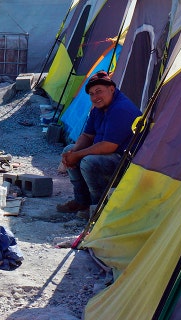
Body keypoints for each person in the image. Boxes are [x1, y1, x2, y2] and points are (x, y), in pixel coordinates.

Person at [56, 71, 142, 217]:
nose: (95, 97)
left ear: (111, 89)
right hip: (109, 154)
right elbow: (87, 135)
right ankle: (82, 201)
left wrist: (77, 155)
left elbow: (109, 146)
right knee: (69, 149)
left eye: (98, 91)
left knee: (89, 162)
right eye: (91, 94)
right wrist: (73, 153)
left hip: (127, 161)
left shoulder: (121, 108)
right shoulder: (99, 108)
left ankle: (98, 207)